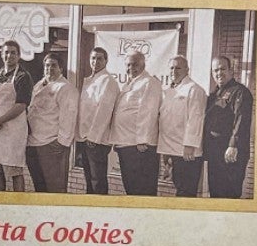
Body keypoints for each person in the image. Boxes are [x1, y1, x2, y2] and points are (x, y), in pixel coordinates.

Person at [0, 40, 32, 191]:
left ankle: (18, 204)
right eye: (6, 52)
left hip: (13, 131)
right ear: (2, 55)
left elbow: (21, 105)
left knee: (15, 171)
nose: (9, 56)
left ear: (19, 56)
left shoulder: (23, 77)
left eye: (13, 53)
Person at [111, 50, 162, 196]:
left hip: (139, 146)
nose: (131, 68)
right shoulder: (129, 84)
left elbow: (149, 112)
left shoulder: (150, 82)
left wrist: (142, 140)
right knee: (131, 187)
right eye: (128, 65)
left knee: (142, 189)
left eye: (135, 64)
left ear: (143, 65)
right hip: (126, 143)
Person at [25, 51, 77, 193]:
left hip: (52, 145)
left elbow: (69, 118)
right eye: (47, 65)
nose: (49, 69)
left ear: (61, 68)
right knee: (39, 187)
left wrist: (61, 143)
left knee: (55, 189)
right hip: (33, 143)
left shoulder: (65, 88)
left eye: (54, 66)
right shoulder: (38, 85)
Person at [204, 55, 255, 198]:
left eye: (222, 69)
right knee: (215, 194)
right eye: (215, 70)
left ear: (231, 70)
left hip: (231, 153)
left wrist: (233, 145)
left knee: (229, 195)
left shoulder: (240, 92)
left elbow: (242, 121)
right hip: (215, 153)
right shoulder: (214, 95)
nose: (219, 73)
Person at [158, 55, 206, 198]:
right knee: (179, 187)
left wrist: (190, 145)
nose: (174, 71)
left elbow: (196, 118)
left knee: (186, 192)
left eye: (178, 68)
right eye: (171, 68)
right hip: (171, 149)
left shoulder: (194, 89)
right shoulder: (168, 91)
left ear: (187, 70)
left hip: (187, 152)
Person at [76, 46, 118, 195]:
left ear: (106, 61)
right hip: (84, 137)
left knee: (97, 180)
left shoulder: (108, 81)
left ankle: (100, 211)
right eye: (93, 58)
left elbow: (104, 111)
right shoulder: (90, 80)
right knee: (89, 178)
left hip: (96, 140)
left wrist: (93, 137)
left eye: (100, 58)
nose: (96, 61)